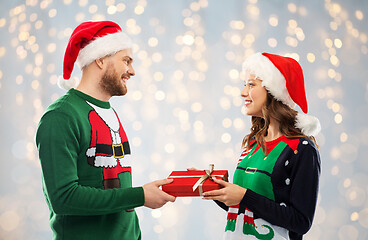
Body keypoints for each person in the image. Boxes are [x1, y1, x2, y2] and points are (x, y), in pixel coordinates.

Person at [36, 21, 176, 240]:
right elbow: (63, 198)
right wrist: (140, 195)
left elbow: (119, 190)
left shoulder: (109, 113)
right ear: (100, 59)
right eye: (126, 61)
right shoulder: (61, 117)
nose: (132, 70)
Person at [202, 52, 321, 240]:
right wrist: (215, 188)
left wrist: (244, 196)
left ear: (273, 91)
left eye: (251, 84)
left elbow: (301, 222)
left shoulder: (302, 148)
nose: (243, 93)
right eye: (244, 85)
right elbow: (246, 209)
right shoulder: (253, 143)